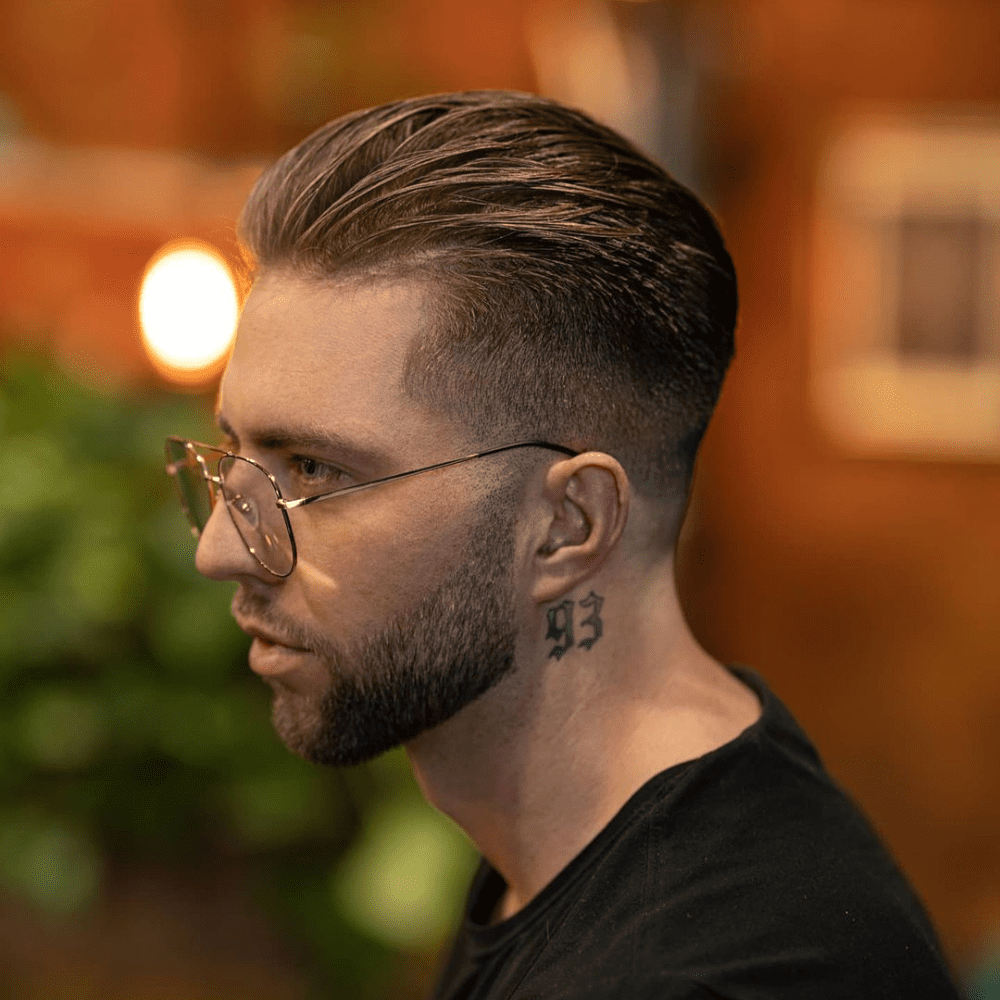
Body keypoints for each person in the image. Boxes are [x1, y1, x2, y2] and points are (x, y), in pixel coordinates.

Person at [165, 91, 963, 999]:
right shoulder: (556, 854)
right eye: (233, 453)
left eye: (314, 469)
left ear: (568, 526)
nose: (220, 549)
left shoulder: (717, 976)